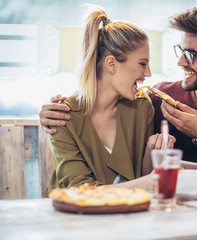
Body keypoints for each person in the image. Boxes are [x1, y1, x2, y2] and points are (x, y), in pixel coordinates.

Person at [40, 4, 197, 179]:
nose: (180, 62)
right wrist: (53, 112)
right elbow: (103, 93)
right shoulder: (155, 100)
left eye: (191, 54)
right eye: (179, 50)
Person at [43, 5, 174, 196]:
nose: (148, 73)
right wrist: (149, 181)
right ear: (111, 64)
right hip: (71, 218)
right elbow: (81, 191)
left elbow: (142, 179)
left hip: (124, 215)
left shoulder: (142, 106)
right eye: (142, 64)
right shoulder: (62, 117)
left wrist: (151, 153)